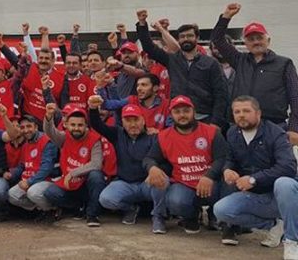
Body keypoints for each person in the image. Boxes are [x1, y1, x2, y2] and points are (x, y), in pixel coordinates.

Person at [213, 96, 296, 247]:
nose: (241, 115)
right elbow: (230, 159)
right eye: (237, 112)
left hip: (278, 196)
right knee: (221, 210)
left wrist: (253, 179)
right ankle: (274, 225)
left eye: (246, 111)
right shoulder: (232, 133)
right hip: (255, 196)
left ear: (258, 113)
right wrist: (227, 170)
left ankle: (292, 240)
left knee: (284, 184)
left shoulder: (276, 133)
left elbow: (288, 167)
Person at [211, 3, 298, 140]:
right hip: (241, 125)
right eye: (251, 39)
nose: (256, 42)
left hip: (274, 126)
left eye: (259, 38)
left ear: (268, 40)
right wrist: (226, 17)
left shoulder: (284, 64)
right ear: (245, 43)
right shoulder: (239, 60)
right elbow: (217, 39)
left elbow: (295, 97)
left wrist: (294, 128)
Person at [144, 95, 227, 234]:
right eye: (177, 112)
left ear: (194, 112)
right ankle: (191, 216)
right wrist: (152, 168)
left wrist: (209, 176)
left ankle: (215, 214)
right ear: (171, 115)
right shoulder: (164, 136)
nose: (182, 115)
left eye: (186, 111)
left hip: (210, 182)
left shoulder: (212, 132)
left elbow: (222, 158)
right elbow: (149, 158)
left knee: (227, 186)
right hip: (184, 184)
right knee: (175, 201)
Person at [86, 96, 168, 233]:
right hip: (126, 183)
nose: (133, 124)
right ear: (122, 122)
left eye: (136, 120)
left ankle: (158, 217)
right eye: (128, 121)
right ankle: (131, 209)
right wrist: (93, 109)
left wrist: (156, 171)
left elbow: (164, 161)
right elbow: (97, 125)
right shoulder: (118, 134)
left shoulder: (153, 136)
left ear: (143, 120)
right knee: (106, 198)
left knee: (162, 180)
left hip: (147, 184)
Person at [136, 9, 229, 129]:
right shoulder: (172, 60)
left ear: (197, 38)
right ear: (178, 40)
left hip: (204, 118)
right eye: (182, 36)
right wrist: (142, 23)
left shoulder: (211, 63)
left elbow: (221, 94)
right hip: (177, 117)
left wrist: (216, 122)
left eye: (190, 36)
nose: (186, 39)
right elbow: (149, 47)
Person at [42, 104, 111, 227]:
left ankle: (92, 215)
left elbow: (96, 164)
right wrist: (48, 117)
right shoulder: (64, 137)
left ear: (86, 126)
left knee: (96, 176)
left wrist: (73, 173)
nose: (76, 128)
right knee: (51, 192)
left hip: (86, 183)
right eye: (73, 125)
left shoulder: (94, 139)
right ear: (66, 125)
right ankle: (79, 207)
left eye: (80, 125)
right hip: (70, 183)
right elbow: (50, 132)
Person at [7, 116, 58, 212]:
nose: (26, 130)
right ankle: (39, 209)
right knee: (12, 195)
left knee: (33, 193)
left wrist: (29, 182)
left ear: (36, 127)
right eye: (22, 127)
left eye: (29, 126)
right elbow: (23, 166)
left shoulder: (47, 141)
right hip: (30, 179)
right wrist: (11, 173)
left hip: (48, 179)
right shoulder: (26, 144)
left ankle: (52, 210)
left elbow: (47, 168)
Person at [97, 74, 170, 132]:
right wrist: (102, 86)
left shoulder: (167, 105)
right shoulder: (132, 100)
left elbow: (172, 130)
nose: (139, 88)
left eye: (144, 85)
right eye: (138, 85)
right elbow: (107, 105)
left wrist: (159, 133)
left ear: (155, 88)